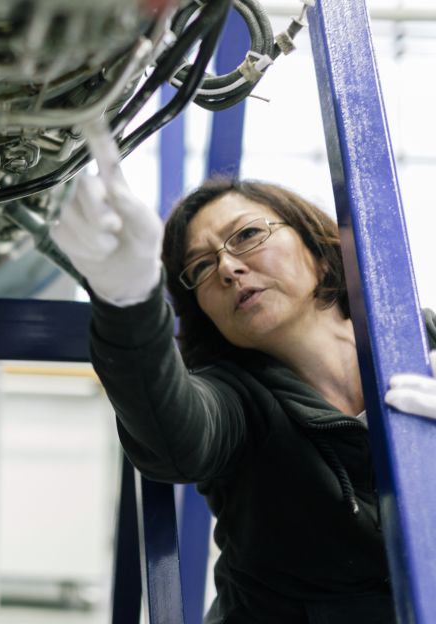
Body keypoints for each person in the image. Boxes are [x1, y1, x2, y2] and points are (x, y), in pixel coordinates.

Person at [51, 128, 436, 622]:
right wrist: (128, 298)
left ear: (317, 249)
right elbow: (175, 434)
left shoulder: (421, 335)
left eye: (248, 235)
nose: (229, 268)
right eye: (202, 267)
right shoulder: (235, 400)